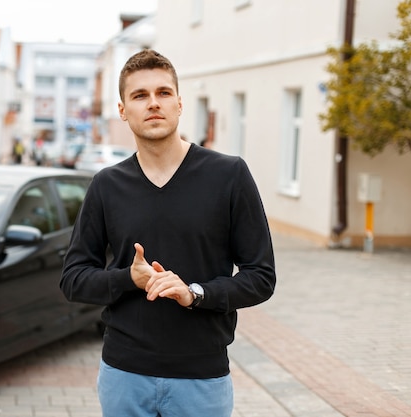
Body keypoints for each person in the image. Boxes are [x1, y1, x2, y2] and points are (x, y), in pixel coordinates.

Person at [60, 49, 276, 417]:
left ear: (179, 103)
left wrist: (195, 294)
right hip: (124, 374)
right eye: (140, 96)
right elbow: (73, 279)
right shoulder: (107, 185)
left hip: (201, 377)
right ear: (123, 110)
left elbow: (261, 277)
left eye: (163, 93)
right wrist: (129, 277)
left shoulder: (228, 175)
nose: (153, 104)